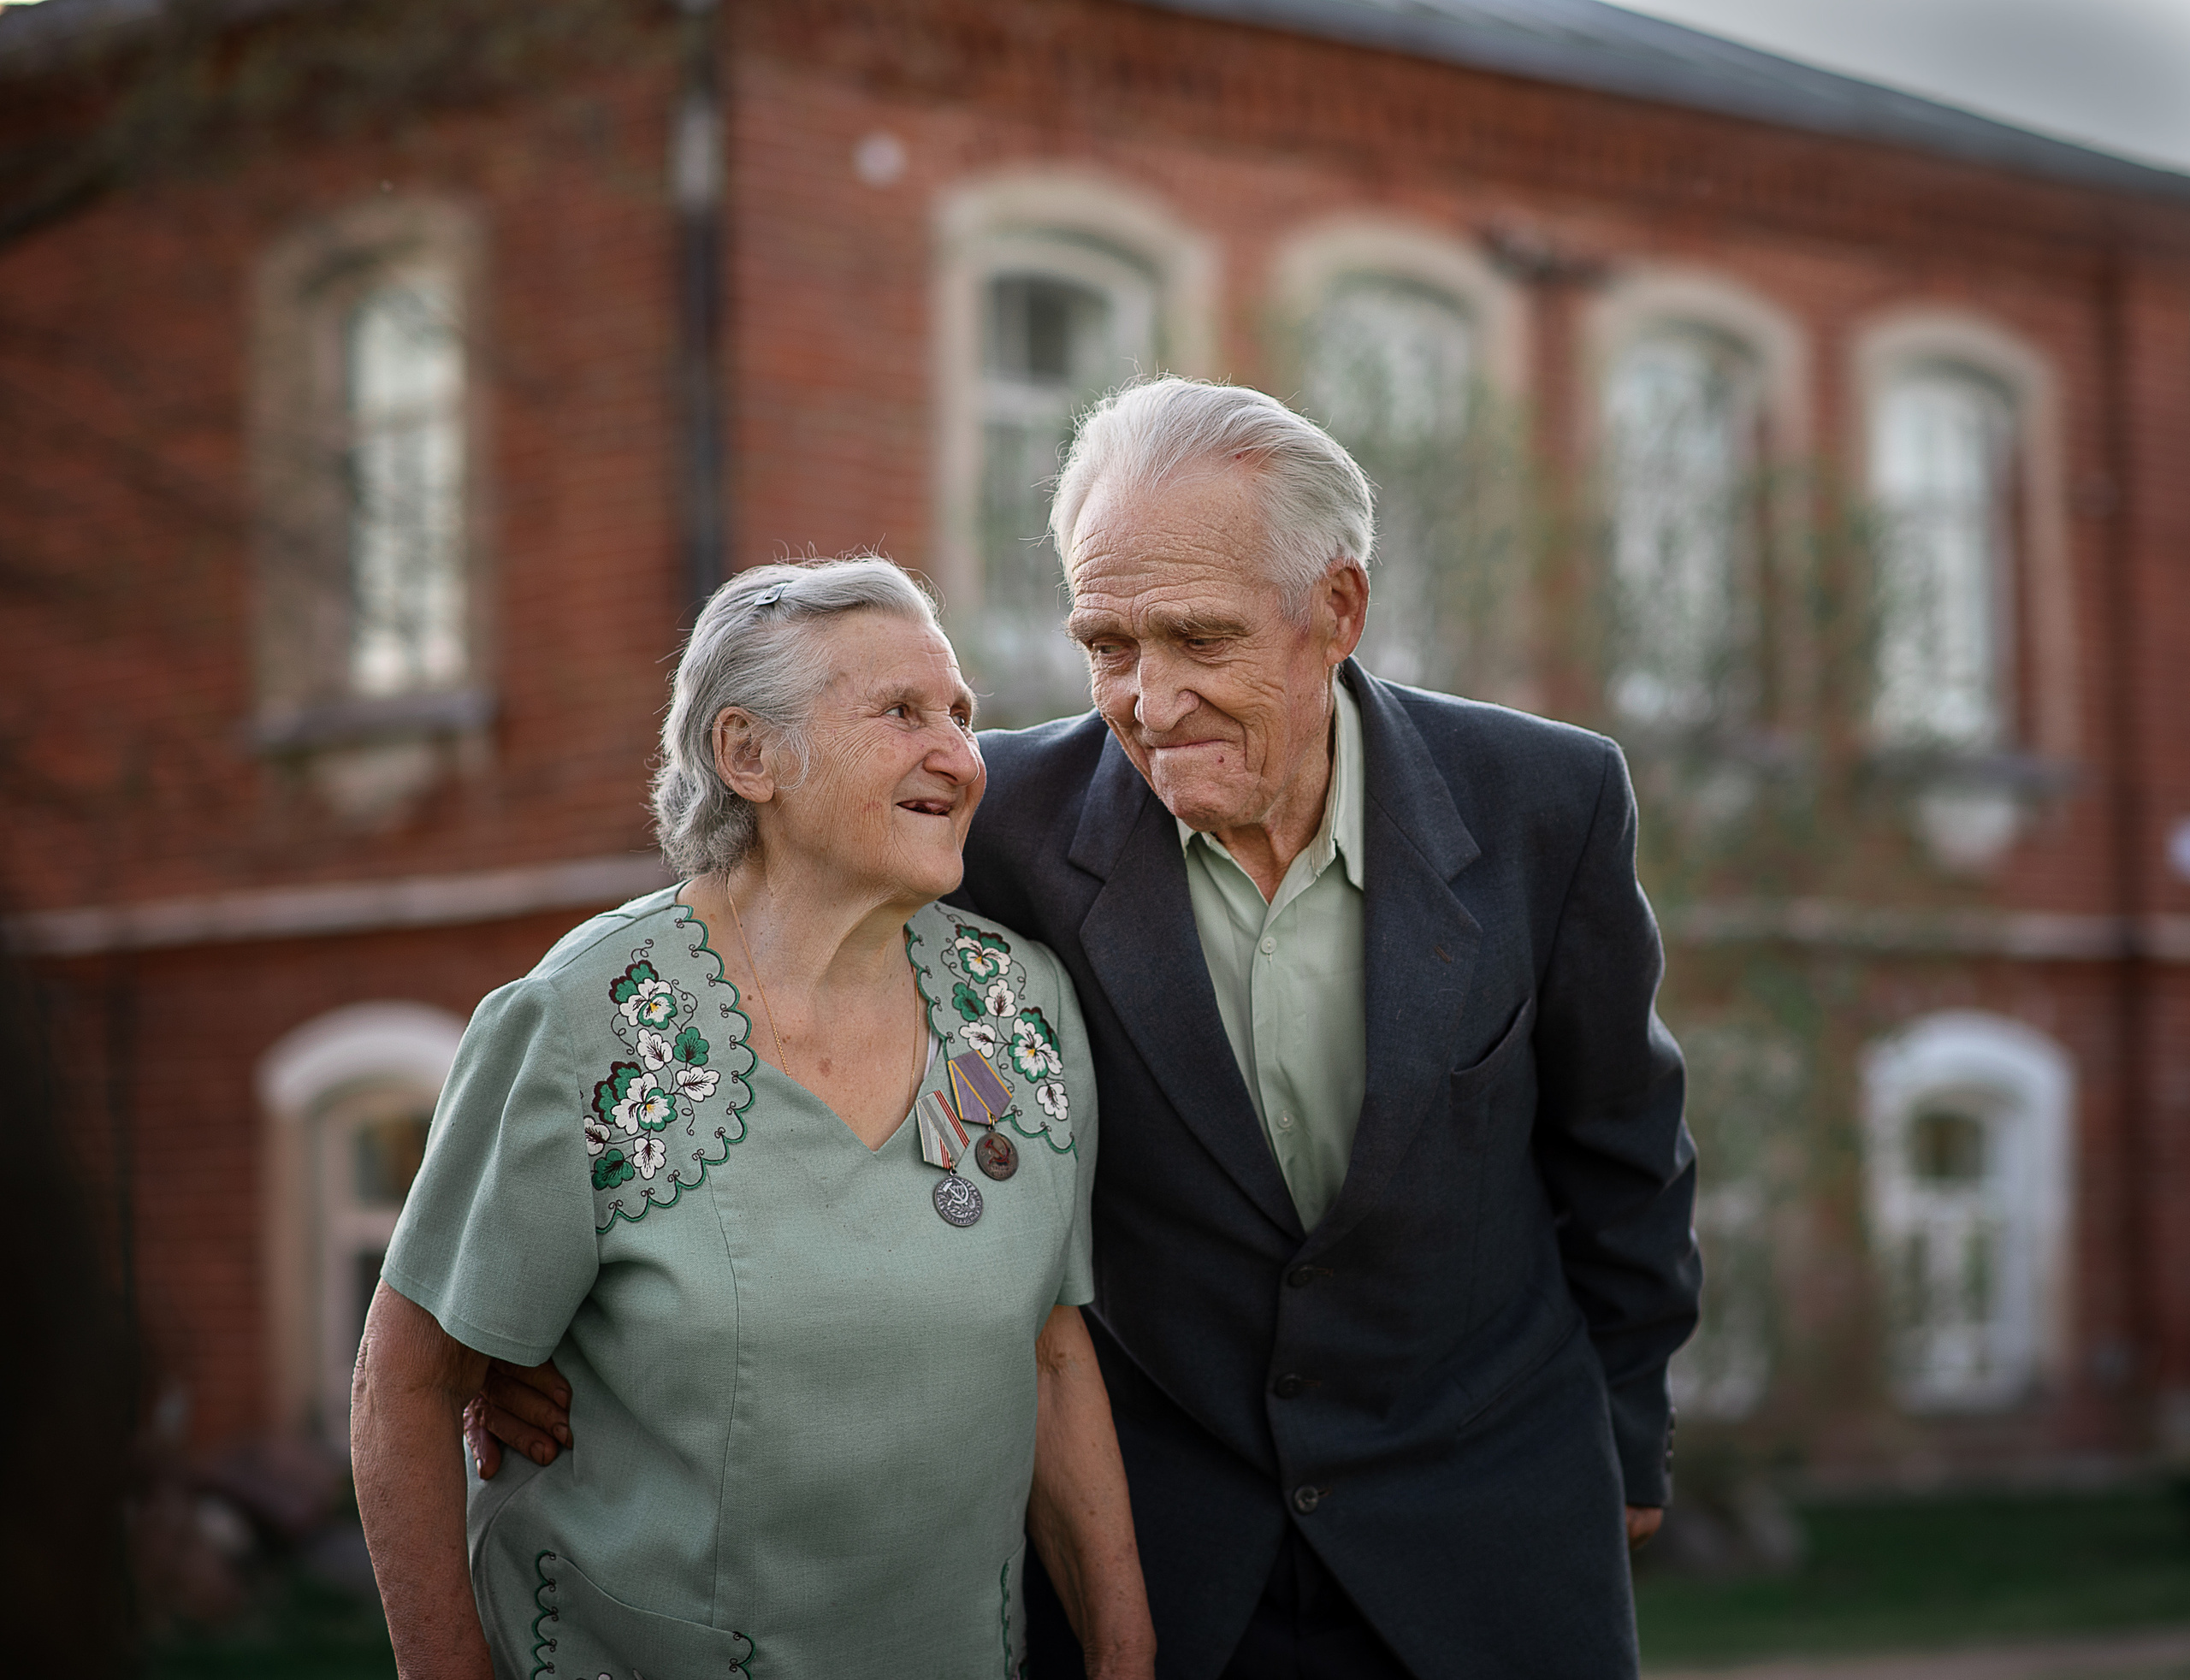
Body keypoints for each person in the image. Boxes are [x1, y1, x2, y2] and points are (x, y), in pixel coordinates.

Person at [476, 381, 1701, 1678]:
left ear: (1335, 611)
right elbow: (752, 959)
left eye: (1198, 638)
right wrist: (552, 1327)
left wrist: (1628, 1432)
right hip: (1162, 1573)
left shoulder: (1546, 802)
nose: (1151, 700)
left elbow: (1623, 1150)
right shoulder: (993, 832)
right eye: (1108, 645)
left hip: (1495, 1532)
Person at [352, 559, 1157, 1679]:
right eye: (902, 712)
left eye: (962, 715)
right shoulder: (582, 1024)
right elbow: (406, 1381)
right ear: (748, 755)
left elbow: (1055, 1357)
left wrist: (1128, 1657)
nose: (962, 757)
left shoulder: (1023, 1007)